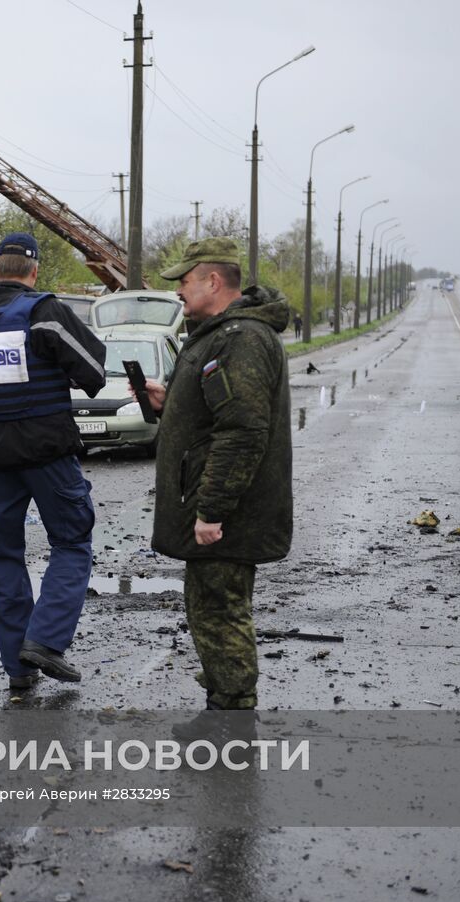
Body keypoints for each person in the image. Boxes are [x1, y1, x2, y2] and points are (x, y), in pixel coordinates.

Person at [139, 237, 293, 739]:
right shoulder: (217, 334)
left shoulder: (241, 339)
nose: (178, 290)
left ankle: (231, 718)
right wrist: (170, 402)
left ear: (212, 281)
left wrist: (212, 511)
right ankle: (223, 702)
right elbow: (217, 412)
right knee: (209, 606)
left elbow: (244, 430)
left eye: (184, 280)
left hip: (229, 508)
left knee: (220, 609)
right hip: (214, 499)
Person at [0, 232, 107, 690]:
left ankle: (18, 669)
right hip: (47, 454)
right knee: (71, 544)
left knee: (2, 556)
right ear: (33, 272)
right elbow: (94, 371)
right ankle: (45, 641)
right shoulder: (45, 313)